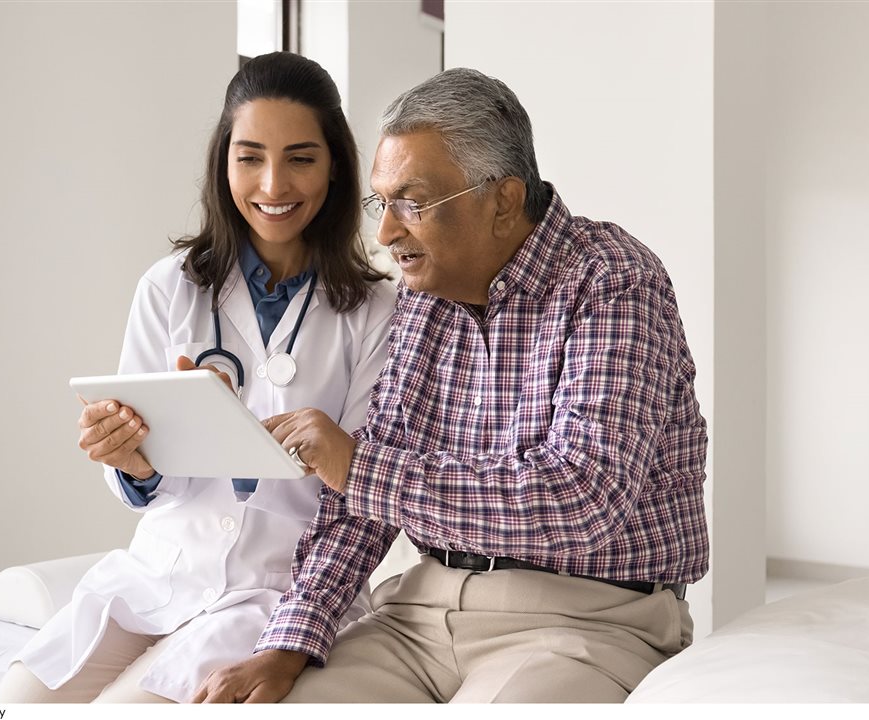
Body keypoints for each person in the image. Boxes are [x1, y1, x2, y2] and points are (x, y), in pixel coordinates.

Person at [191, 68, 709, 704]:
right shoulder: (424, 301)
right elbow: (360, 504)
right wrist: (288, 643)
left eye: (414, 203)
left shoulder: (612, 283)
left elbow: (584, 501)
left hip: (584, 620)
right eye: (382, 203)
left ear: (503, 201)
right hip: (420, 613)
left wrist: (360, 467)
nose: (385, 233)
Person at [0, 52, 396, 703]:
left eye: (300, 157)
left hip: (278, 584)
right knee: (17, 702)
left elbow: (362, 486)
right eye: (250, 156)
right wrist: (129, 456)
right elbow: (144, 473)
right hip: (160, 570)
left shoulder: (375, 311)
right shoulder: (170, 289)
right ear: (223, 160)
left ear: (336, 167)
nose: (272, 183)